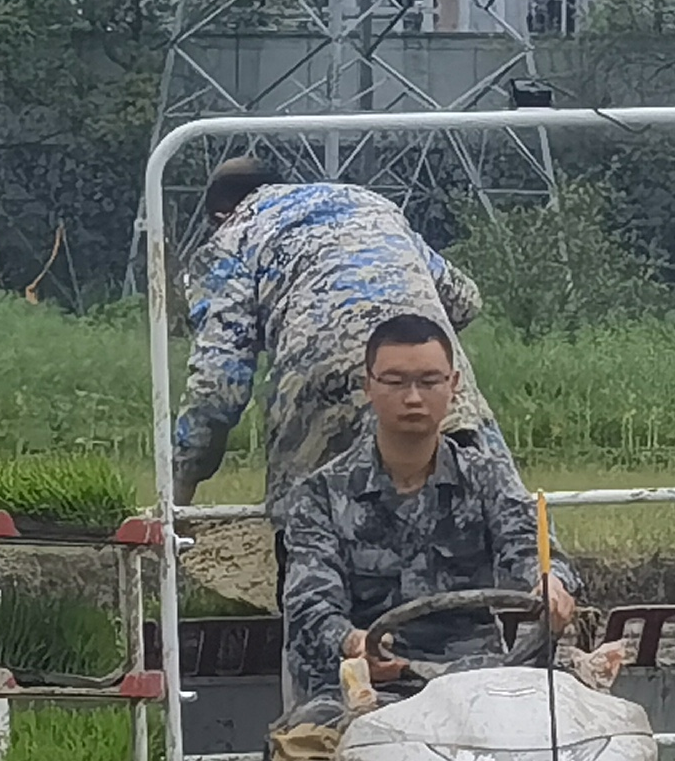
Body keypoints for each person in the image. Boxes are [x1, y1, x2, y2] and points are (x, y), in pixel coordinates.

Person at [262, 311, 588, 761]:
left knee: (584, 720)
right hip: (374, 685)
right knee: (307, 736)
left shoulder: (487, 478)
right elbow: (309, 603)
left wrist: (554, 587)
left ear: (452, 386)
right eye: (398, 381)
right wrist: (354, 642)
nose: (414, 398)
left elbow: (540, 556)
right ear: (368, 386)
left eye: (429, 381)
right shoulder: (320, 496)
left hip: (485, 676)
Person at [169, 159, 490, 508]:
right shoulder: (368, 205)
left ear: (218, 216)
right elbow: (465, 301)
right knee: (485, 511)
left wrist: (179, 485)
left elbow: (218, 385)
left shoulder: (233, 235)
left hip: (322, 381)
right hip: (431, 376)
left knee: (312, 527)